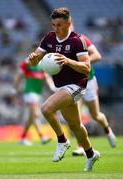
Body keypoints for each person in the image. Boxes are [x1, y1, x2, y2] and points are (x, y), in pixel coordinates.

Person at [28, 7, 100, 172]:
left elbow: (86, 68)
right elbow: (35, 61)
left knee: (46, 108)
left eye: (59, 25)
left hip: (77, 86)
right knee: (75, 125)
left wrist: (68, 61)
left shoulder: (77, 40)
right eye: (53, 25)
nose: (55, 28)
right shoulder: (49, 38)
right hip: (62, 87)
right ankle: (91, 153)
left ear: (68, 23)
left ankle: (62, 140)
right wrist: (33, 59)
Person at [72, 34, 116, 156]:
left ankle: (107, 129)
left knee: (96, 115)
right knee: (77, 117)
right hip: (74, 83)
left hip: (89, 81)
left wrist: (81, 61)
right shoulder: (59, 44)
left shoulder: (82, 39)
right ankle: (80, 146)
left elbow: (97, 56)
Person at [11, 55, 53, 146]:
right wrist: (14, 90)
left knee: (31, 117)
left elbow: (46, 77)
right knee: (36, 114)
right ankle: (42, 137)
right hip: (30, 92)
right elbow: (19, 76)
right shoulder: (27, 62)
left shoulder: (42, 64)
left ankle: (22, 137)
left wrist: (52, 87)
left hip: (38, 93)